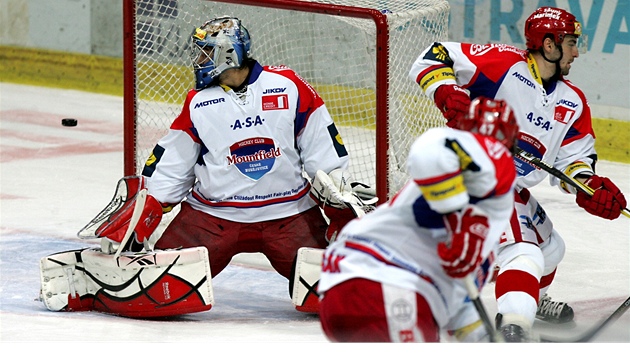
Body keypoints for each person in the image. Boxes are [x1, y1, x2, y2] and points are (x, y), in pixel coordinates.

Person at [77, 16, 373, 315]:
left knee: (343, 295)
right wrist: (150, 205)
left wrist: (338, 206)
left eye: (205, 52)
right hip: (212, 218)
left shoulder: (289, 86)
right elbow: (173, 164)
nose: (199, 59)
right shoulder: (197, 102)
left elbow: (322, 150)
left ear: (227, 53)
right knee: (156, 290)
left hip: (288, 216)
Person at [408, 6, 627, 341]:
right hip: (476, 179)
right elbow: (433, 55)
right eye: (570, 42)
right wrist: (448, 93)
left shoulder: (573, 101)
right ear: (549, 45)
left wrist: (589, 187)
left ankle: (531, 299)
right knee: (523, 251)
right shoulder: (503, 64)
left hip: (513, 188)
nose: (576, 51)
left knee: (552, 248)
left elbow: (574, 161)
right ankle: (514, 326)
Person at [318, 97, 520, 342]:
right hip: (386, 283)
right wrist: (458, 217)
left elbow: (460, 305)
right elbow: (430, 149)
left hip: (349, 285)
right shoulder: (491, 159)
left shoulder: (484, 221)